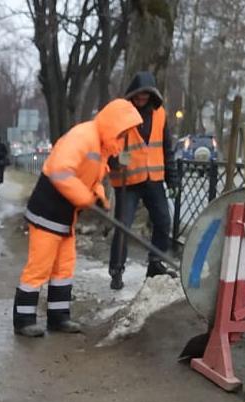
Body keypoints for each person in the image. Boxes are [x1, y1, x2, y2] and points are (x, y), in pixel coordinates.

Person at [13, 99, 143, 337]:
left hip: (65, 215)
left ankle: (59, 317)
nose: (123, 139)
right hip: (48, 210)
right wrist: (85, 198)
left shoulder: (101, 146)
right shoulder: (83, 136)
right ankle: (23, 320)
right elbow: (60, 171)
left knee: (64, 268)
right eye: (122, 132)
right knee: (39, 267)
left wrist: (100, 197)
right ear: (113, 124)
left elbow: (92, 179)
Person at [107, 71, 178, 291]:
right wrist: (115, 160)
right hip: (127, 180)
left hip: (153, 179)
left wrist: (172, 178)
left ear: (152, 96)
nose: (141, 99)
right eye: (138, 95)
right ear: (132, 95)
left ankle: (155, 263)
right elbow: (108, 144)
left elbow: (166, 147)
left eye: (145, 95)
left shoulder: (160, 115)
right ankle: (117, 270)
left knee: (163, 221)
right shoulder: (121, 114)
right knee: (123, 226)